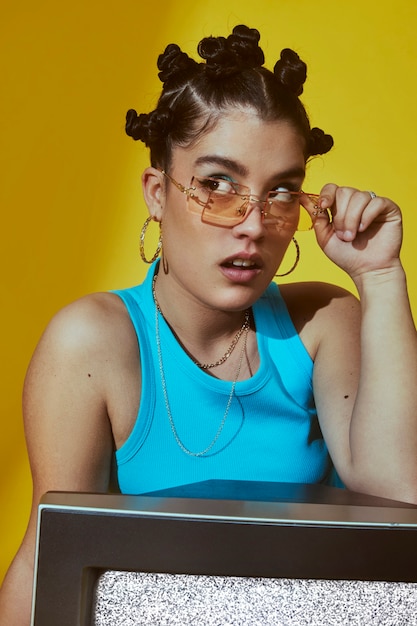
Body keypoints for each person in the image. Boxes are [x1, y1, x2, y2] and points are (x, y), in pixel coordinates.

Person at [1, 23, 417, 625]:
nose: (253, 224)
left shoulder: (324, 321)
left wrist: (380, 277)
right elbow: (51, 557)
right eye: (218, 184)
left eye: (280, 192)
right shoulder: (92, 342)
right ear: (155, 192)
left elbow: (403, 499)